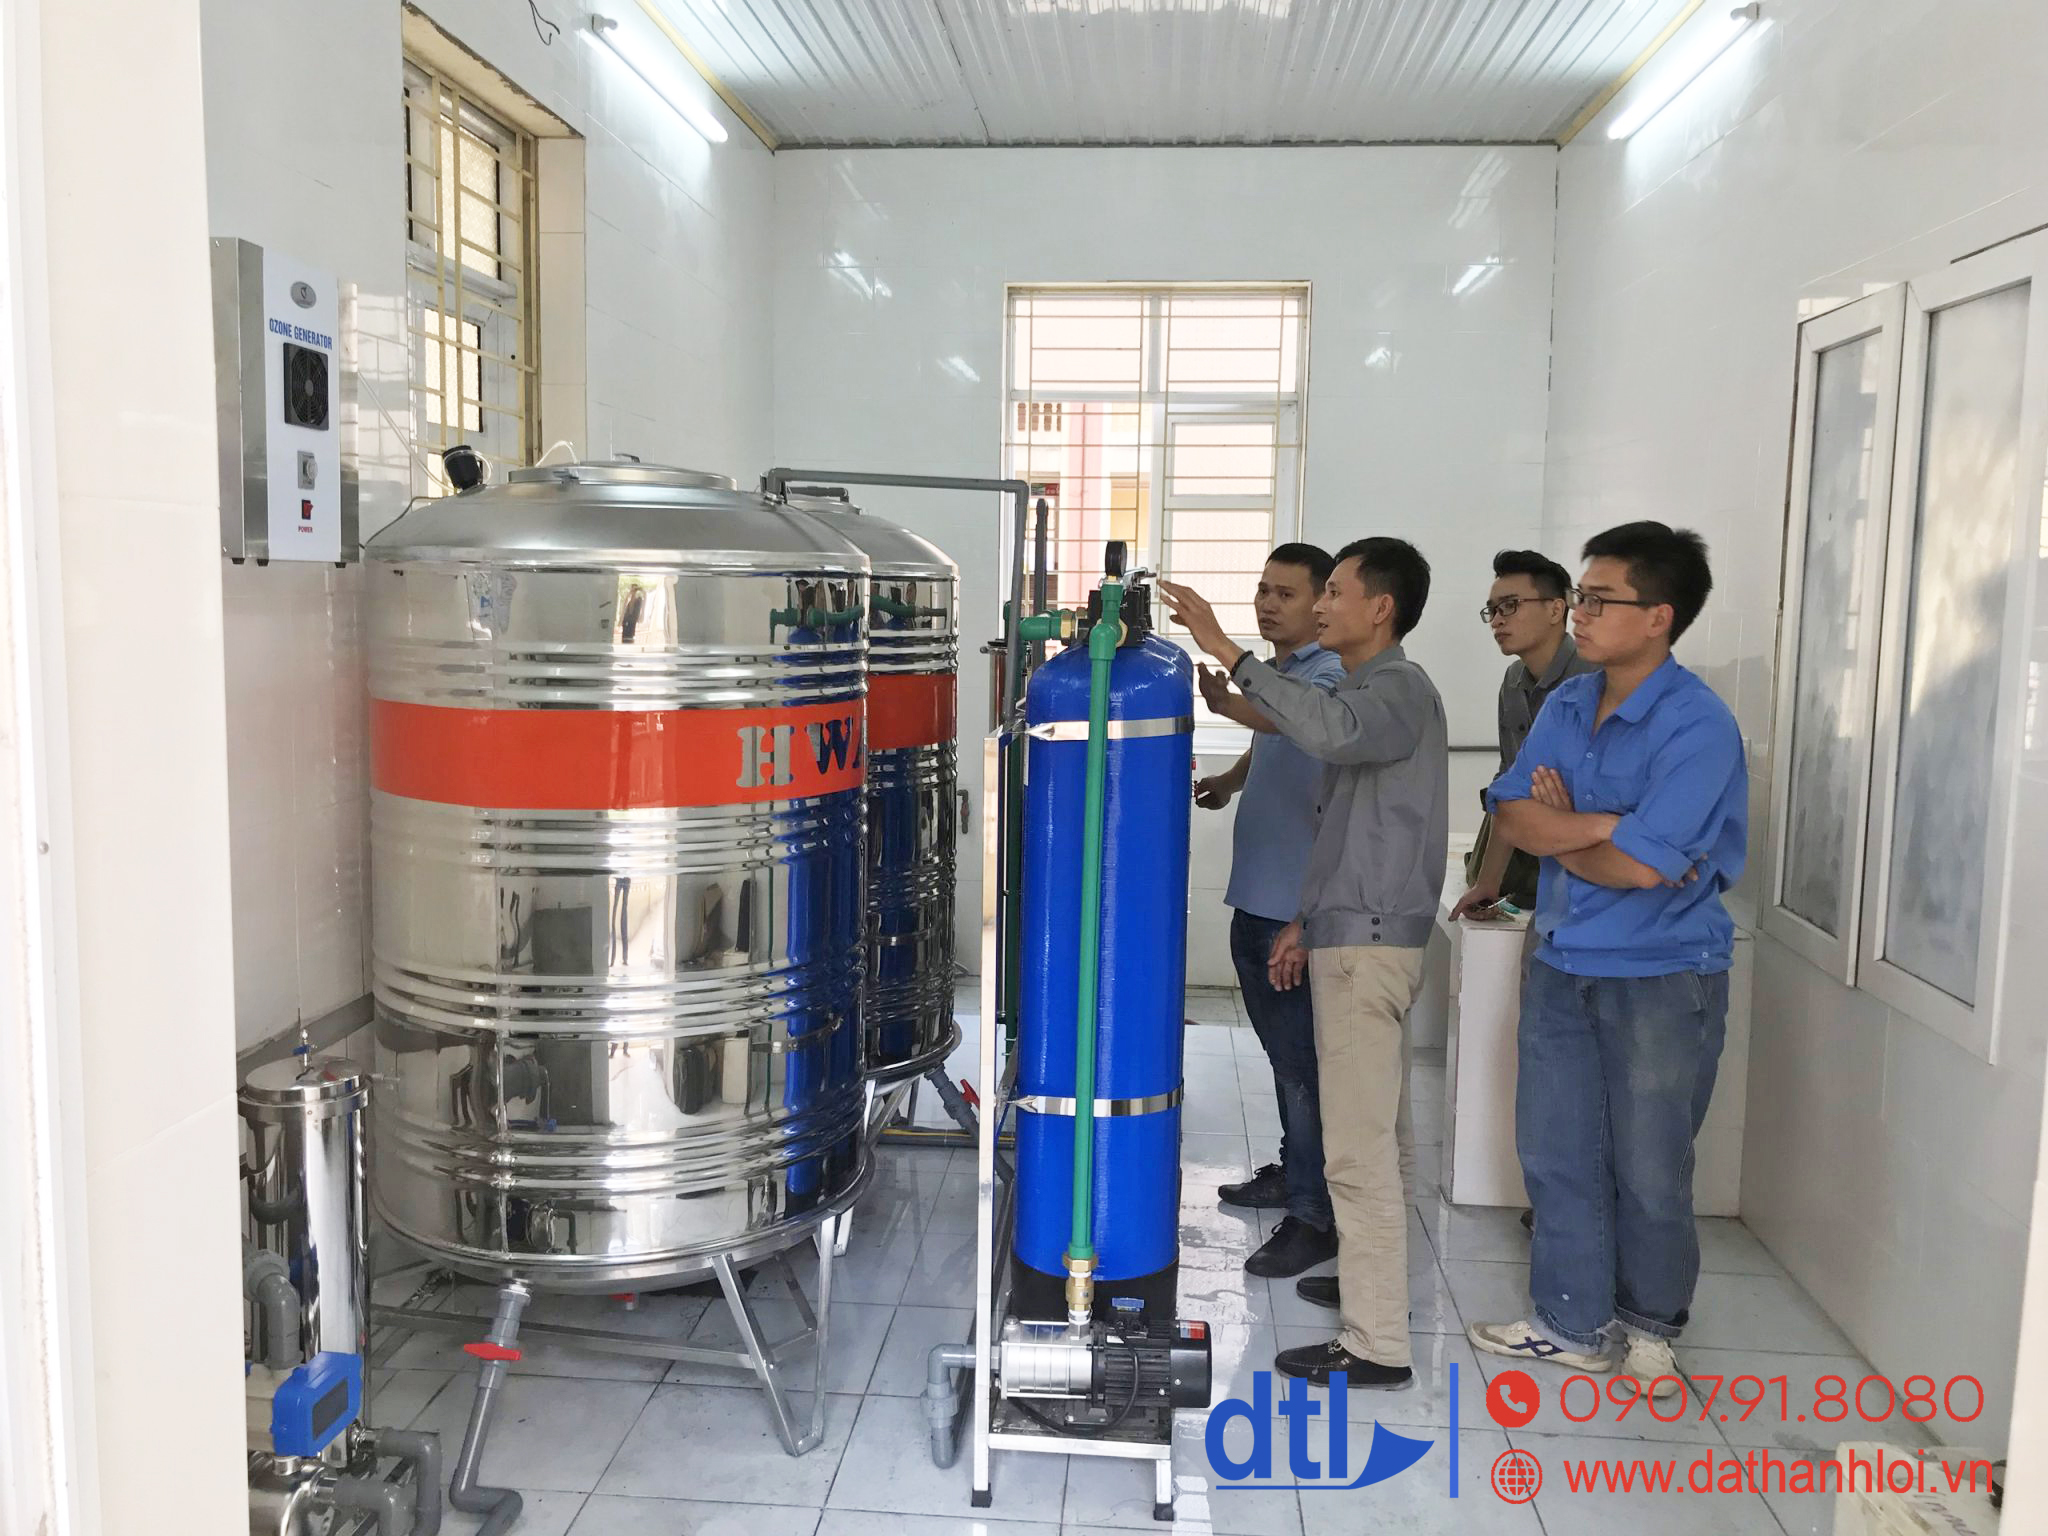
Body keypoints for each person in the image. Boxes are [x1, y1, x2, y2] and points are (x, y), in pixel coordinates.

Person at [1464, 521, 1747, 1402]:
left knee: (1651, 1165)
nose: (1578, 612)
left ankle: (1652, 1328)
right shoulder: (1566, 705)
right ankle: (1571, 1324)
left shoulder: (1698, 725)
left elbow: (1643, 870)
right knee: (1557, 1153)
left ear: (1658, 615)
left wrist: (1574, 833)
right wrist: (1606, 828)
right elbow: (1514, 814)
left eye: (1597, 598)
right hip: (1563, 958)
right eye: (1579, 597)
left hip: (1661, 973)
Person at [1162, 539, 1448, 1391]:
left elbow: (1323, 729)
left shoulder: (1396, 689)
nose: (1319, 606)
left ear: (1380, 608)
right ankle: (1371, 1288)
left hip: (1369, 947)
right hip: (1347, 931)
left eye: (1333, 592)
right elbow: (1340, 822)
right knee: (1381, 1138)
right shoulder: (1366, 689)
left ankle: (1375, 1344)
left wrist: (1225, 647)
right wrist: (1306, 920)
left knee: (1357, 1150)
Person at [1190, 543, 1346, 1279]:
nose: (1268, 604)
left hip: (1295, 913)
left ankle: (1315, 1216)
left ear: (1323, 603)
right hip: (1256, 898)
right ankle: (1294, 1172)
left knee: (1303, 1068)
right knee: (1286, 1061)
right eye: (1263, 590)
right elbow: (1270, 739)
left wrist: (1229, 667)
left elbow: (1299, 725)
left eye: (1286, 593)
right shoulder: (1285, 678)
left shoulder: (1332, 675)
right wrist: (1229, 779)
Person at [1451, 549, 1596, 921]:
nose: (1498, 620)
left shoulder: (1595, 680)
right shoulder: (1514, 680)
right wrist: (1488, 882)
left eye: (1510, 605)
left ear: (1556, 609)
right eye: (1493, 610)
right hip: (1539, 848)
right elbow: (1510, 780)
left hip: (1595, 862)